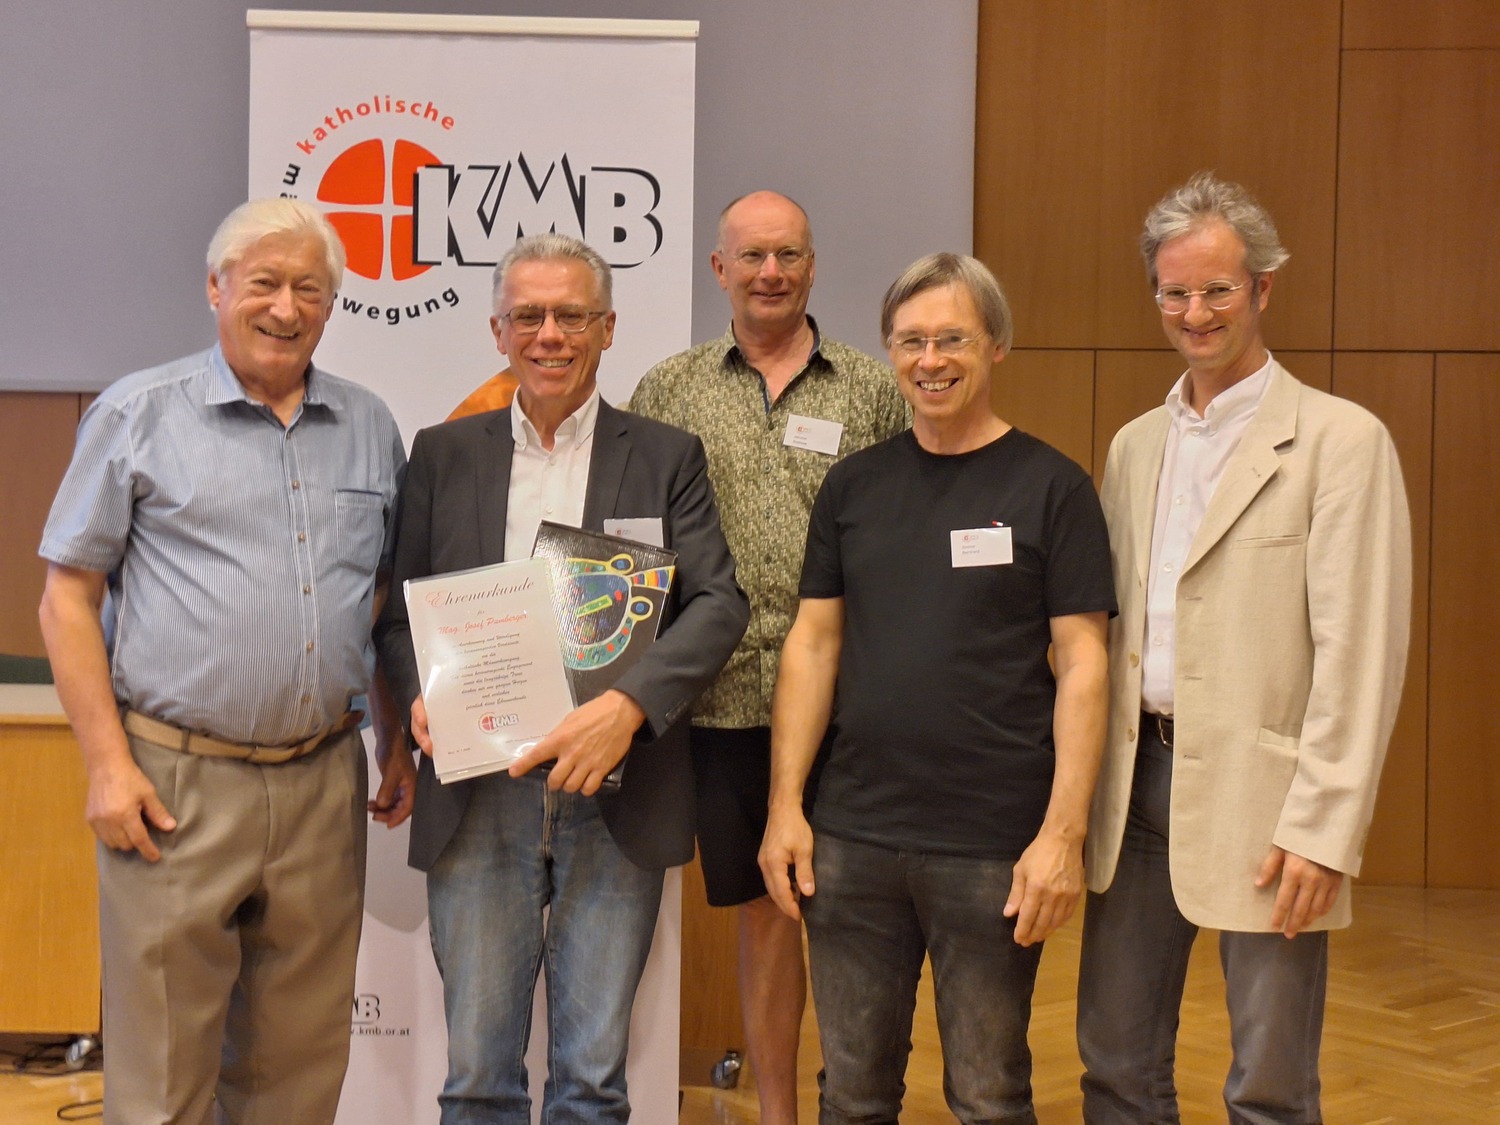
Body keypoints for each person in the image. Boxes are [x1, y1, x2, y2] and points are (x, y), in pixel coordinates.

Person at [37, 197, 410, 1124]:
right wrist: (107, 765)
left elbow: (375, 599)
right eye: (265, 283)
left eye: (309, 289)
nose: (286, 307)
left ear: (333, 304)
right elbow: (67, 599)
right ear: (216, 288)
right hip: (174, 785)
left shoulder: (370, 424)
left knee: (298, 1069)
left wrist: (393, 734)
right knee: (163, 1074)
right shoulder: (137, 413)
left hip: (323, 781)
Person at [374, 232, 749, 1123]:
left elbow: (718, 604)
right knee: (477, 1077)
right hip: (480, 792)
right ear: (498, 331)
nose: (551, 334)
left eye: (572, 316)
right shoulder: (442, 453)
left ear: (607, 328)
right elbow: (396, 615)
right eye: (530, 316)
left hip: (617, 790)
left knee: (592, 1082)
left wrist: (629, 705)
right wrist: (421, 694)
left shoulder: (665, 455)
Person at [1077, 172, 1413, 1123]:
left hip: (1272, 805)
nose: (1196, 312)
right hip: (1133, 785)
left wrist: (1325, 827)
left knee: (1269, 1085)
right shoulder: (1134, 446)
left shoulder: (1343, 442)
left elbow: (1360, 655)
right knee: (1114, 1066)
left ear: (1263, 286)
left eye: (1218, 289)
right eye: (1175, 292)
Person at [759, 252, 1114, 1124]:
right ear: (889, 350)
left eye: (952, 338)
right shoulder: (853, 485)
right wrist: (785, 806)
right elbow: (813, 644)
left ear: (996, 345)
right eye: (910, 340)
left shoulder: (1054, 487)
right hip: (852, 837)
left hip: (992, 845)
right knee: (851, 1094)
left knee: (990, 1096)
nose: (930, 359)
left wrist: (1062, 834)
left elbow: (1084, 663)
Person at [628, 189, 907, 1123]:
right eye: (751, 256)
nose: (771, 273)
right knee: (766, 910)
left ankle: (856, 1100)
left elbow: (906, 530)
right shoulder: (669, 389)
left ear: (813, 266)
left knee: (857, 912)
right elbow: (633, 545)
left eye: (788, 254)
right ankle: (780, 1111)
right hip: (723, 702)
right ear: (720, 269)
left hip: (854, 700)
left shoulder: (871, 389)